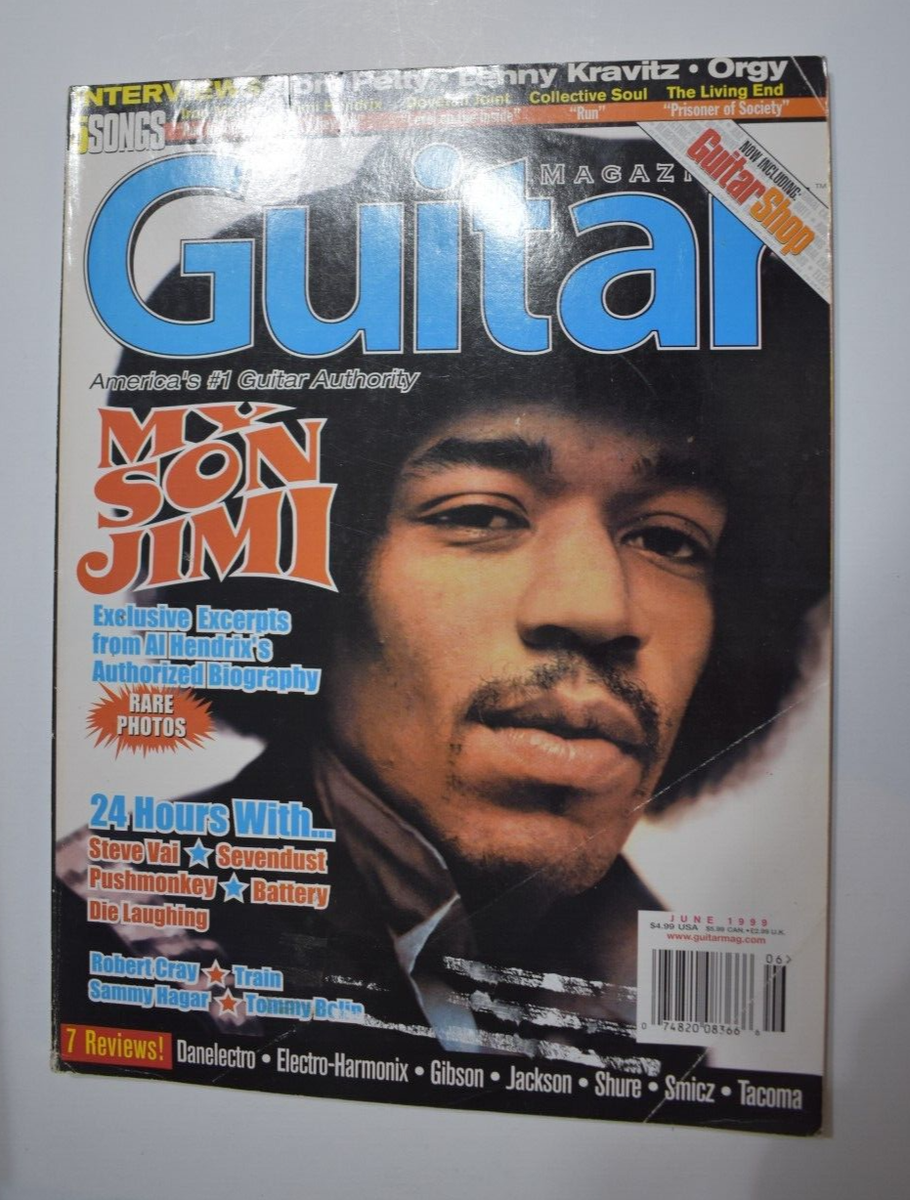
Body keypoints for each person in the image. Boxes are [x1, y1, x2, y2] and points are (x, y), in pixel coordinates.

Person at [56, 131, 830, 1066]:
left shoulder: (713, 1026)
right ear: (308, 581)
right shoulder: (86, 947)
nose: (598, 607)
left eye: (669, 539)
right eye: (480, 515)